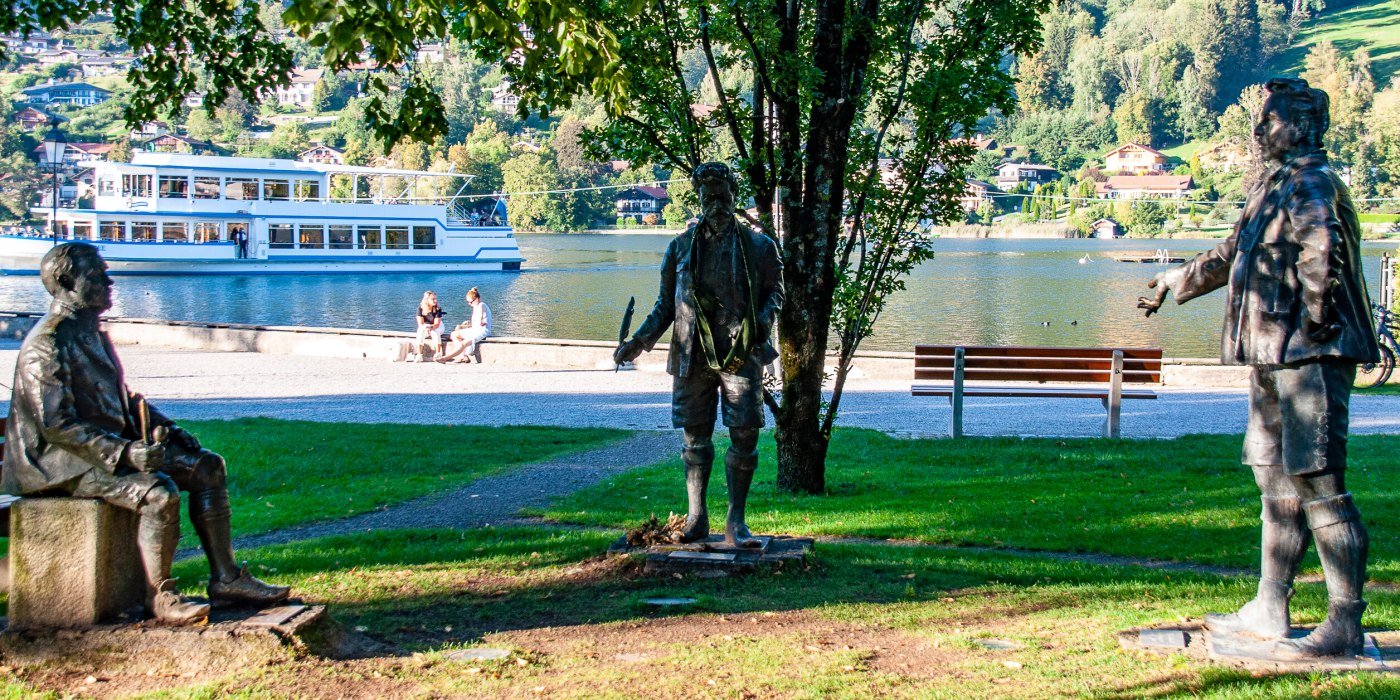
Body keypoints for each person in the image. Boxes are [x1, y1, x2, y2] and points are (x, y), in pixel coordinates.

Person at [1138, 77, 1378, 659]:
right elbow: (1231, 252)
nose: (1257, 133)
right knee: (1273, 478)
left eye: (1266, 122)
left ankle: (1344, 622)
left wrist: (1316, 324)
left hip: (1307, 355)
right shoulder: (1274, 188)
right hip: (1272, 354)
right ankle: (1272, 605)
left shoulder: (1311, 182)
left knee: (1320, 484)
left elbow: (1323, 251)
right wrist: (1180, 281)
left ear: (1299, 126)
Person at [3, 242, 290, 625]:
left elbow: (123, 398)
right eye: (97, 274)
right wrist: (125, 454)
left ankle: (226, 579)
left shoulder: (88, 332)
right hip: (58, 464)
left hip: (97, 449)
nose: (109, 280)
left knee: (207, 467)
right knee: (157, 493)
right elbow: (56, 424)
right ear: (67, 283)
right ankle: (161, 596)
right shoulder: (48, 343)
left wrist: (167, 427)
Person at [614, 161, 784, 548]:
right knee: (695, 438)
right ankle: (696, 518)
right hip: (692, 356)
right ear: (700, 200)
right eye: (709, 197)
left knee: (744, 434)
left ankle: (735, 521)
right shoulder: (679, 249)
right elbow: (665, 306)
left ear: (734, 196)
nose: (717, 204)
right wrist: (638, 342)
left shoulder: (760, 246)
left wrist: (760, 322)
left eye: (723, 196)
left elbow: (777, 292)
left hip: (741, 355)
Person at [437, 287, 491, 363]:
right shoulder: (476, 307)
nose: (469, 304)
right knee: (454, 334)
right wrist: (463, 326)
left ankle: (445, 358)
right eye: (468, 302)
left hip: (482, 330)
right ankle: (463, 356)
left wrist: (477, 322)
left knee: (464, 343)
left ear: (477, 299)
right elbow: (475, 324)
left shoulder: (482, 305)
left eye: (471, 302)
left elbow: (479, 321)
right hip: (475, 329)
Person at [412, 290, 445, 362]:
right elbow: (420, 323)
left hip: (437, 326)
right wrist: (426, 327)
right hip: (425, 326)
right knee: (420, 331)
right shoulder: (420, 309)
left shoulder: (437, 309)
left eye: (435, 299)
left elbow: (437, 324)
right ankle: (419, 355)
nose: (435, 300)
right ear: (427, 300)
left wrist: (431, 327)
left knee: (434, 331)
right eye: (433, 299)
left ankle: (438, 354)